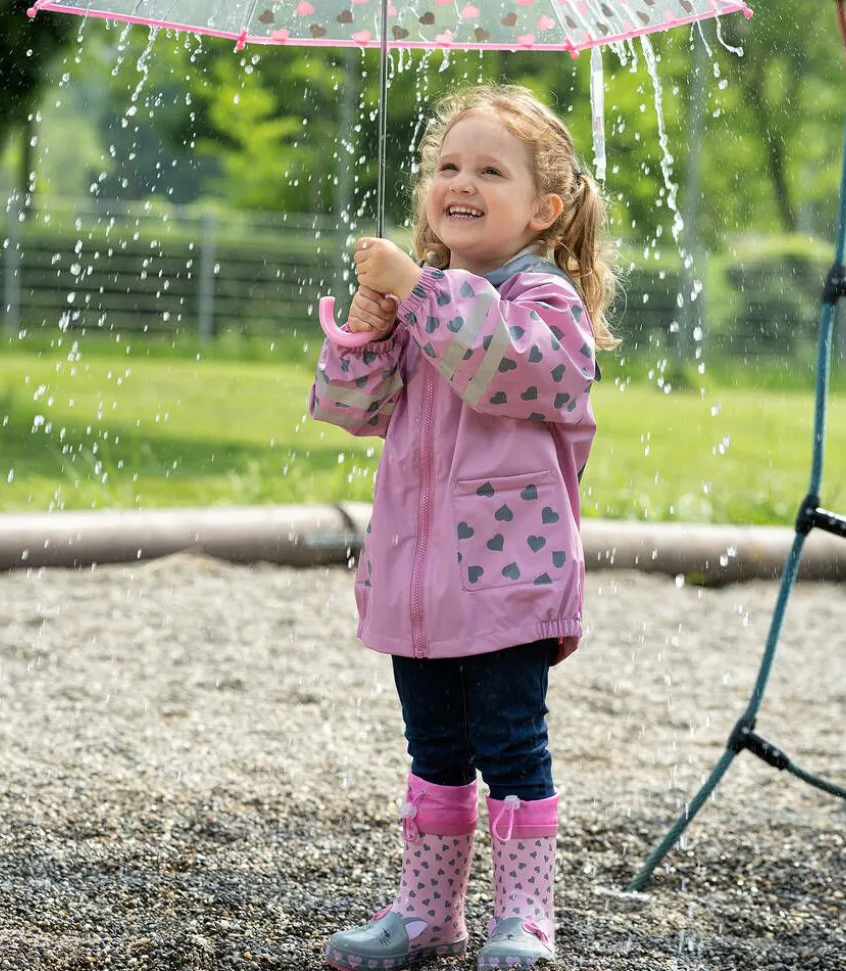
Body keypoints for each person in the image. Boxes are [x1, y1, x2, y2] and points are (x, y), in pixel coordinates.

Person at [311, 84, 618, 971]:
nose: (462, 181)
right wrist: (368, 330)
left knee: (511, 746)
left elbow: (508, 370)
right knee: (435, 749)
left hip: (508, 580)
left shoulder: (546, 305)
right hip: (419, 578)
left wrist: (418, 290)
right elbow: (349, 409)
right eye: (448, 165)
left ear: (544, 210)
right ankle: (426, 910)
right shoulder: (423, 297)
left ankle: (524, 916)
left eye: (490, 169)